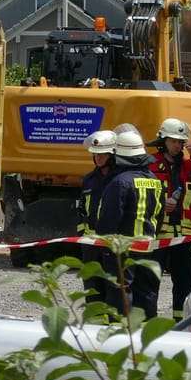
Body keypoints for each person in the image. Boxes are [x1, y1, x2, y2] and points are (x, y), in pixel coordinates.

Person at [96, 127, 163, 319]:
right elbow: (158, 216)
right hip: (149, 249)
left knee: (120, 297)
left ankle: (120, 339)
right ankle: (145, 338)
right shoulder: (155, 181)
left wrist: (105, 247)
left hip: (122, 251)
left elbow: (109, 218)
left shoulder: (119, 182)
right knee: (147, 297)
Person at [148, 117, 191, 315]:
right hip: (158, 235)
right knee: (150, 280)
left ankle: (181, 322)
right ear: (163, 141)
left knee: (185, 282)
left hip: (184, 236)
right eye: (173, 141)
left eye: (180, 142)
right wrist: (160, 205)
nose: (178, 145)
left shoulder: (190, 166)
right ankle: (148, 321)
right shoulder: (150, 165)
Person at [75, 128, 120, 307]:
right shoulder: (89, 179)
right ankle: (94, 327)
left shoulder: (119, 179)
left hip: (112, 244)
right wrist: (81, 236)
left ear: (113, 154)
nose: (98, 158)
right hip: (90, 244)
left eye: (103, 154)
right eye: (96, 154)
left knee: (112, 289)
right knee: (92, 290)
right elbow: (81, 210)